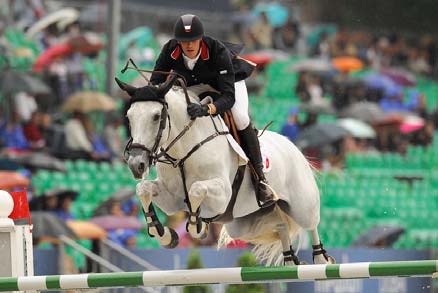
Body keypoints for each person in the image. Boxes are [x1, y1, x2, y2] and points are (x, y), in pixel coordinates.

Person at [150, 14, 274, 208]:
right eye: (184, 42)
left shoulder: (217, 51)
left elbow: (228, 96)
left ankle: (261, 179)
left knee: (240, 118)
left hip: (227, 83)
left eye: (193, 41)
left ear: (201, 39)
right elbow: (155, 84)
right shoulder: (170, 50)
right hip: (193, 85)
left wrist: (207, 109)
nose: (189, 46)